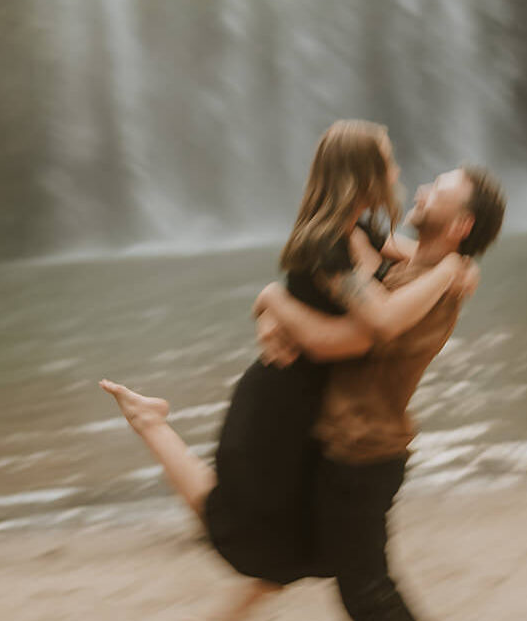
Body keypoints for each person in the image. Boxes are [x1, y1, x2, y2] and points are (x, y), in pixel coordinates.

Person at [100, 120, 470, 619]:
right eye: (389, 162)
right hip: (279, 403)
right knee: (235, 518)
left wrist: (459, 263)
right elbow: (352, 333)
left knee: (298, 536)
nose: (398, 171)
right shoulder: (325, 245)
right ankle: (149, 421)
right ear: (364, 175)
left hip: (320, 404)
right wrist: (270, 298)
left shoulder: (365, 232)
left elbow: (416, 258)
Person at [254, 164, 506, 620]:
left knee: (366, 591)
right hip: (352, 448)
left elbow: (331, 343)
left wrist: (272, 300)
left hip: (362, 454)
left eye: (439, 189)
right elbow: (395, 253)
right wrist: (456, 262)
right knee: (349, 578)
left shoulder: (423, 298)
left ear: (459, 225)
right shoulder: (427, 270)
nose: (424, 188)